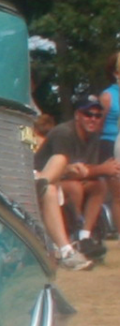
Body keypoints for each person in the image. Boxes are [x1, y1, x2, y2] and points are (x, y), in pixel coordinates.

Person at [36, 89, 119, 269]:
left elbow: (85, 170)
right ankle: (73, 233)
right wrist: (102, 169)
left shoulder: (94, 136)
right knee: (75, 186)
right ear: (77, 115)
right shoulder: (64, 133)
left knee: (99, 186)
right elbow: (66, 170)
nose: (93, 119)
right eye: (88, 114)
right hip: (43, 177)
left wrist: (100, 171)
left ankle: (84, 237)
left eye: (98, 115)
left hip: (67, 180)